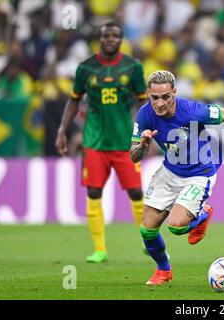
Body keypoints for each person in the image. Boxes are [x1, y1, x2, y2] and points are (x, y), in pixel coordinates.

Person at [130, 70, 224, 286]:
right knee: (147, 230)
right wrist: (143, 145)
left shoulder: (192, 110)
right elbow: (133, 155)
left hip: (199, 174)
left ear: (174, 92)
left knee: (176, 226)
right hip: (170, 171)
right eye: (155, 97)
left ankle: (203, 214)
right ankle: (163, 270)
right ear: (148, 94)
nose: (160, 103)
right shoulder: (145, 114)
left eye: (166, 96)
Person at [56, 22, 148, 263]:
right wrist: (62, 130)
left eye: (115, 35)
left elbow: (143, 103)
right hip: (94, 142)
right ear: (99, 39)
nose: (110, 39)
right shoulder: (86, 68)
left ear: (121, 39)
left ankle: (147, 242)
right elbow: (74, 100)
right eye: (105, 35)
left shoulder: (133, 67)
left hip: (124, 142)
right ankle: (100, 249)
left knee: (137, 192)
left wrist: (146, 132)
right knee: (94, 191)